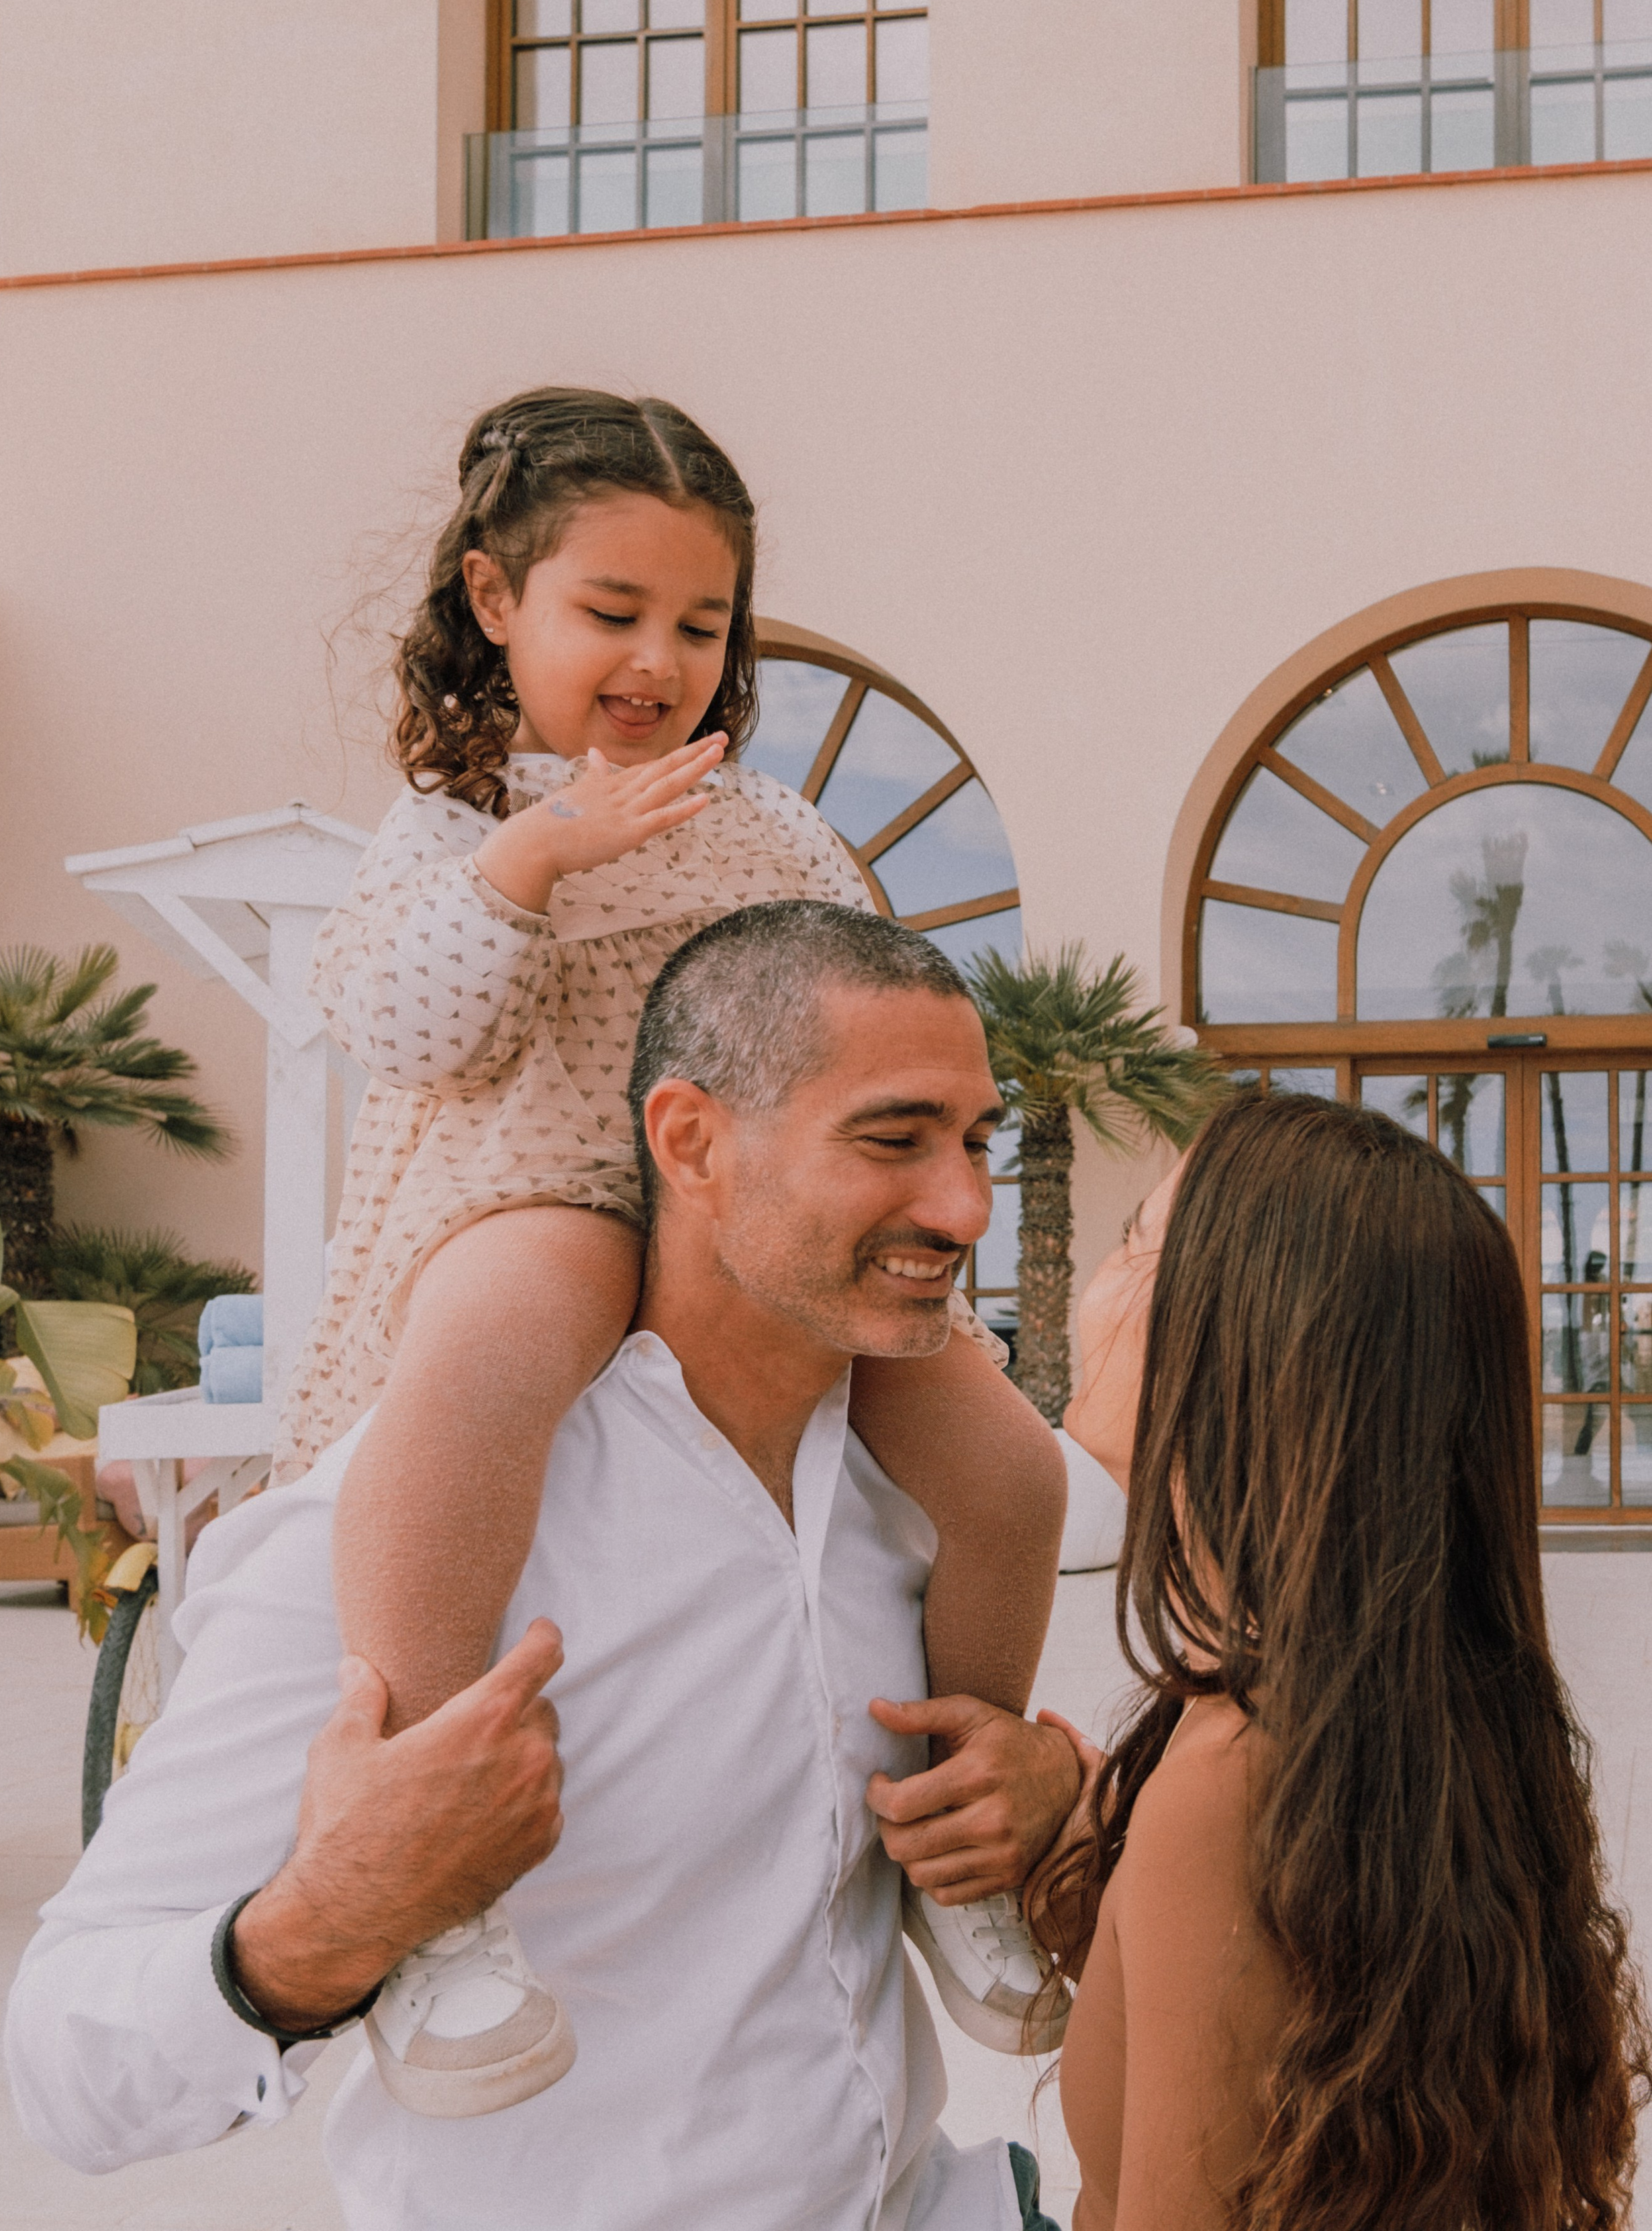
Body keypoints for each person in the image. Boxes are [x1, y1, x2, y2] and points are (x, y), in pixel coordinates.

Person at [6, 903, 1083, 2231]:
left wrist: (1039, 1799)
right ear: (688, 1141)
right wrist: (328, 1922)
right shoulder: (402, 1531)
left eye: (978, 1142)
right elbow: (65, 2065)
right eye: (893, 1139)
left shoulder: (926, 1493)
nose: (965, 1204)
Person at [273, 386, 1066, 2112]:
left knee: (1005, 1465)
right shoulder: (450, 830)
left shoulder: (765, 823)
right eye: (610, 613)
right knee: (482, 1356)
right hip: (547, 1177)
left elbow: (863, 1003)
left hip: (751, 1213)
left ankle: (957, 1828)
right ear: (496, 603)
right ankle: (423, 1863)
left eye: (698, 624)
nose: (657, 658)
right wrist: (534, 859)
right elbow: (400, 1034)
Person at [1028, 1089, 1652, 2231]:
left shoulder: (1230, 1776)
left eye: (1133, 1245)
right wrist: (1072, 1839)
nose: (1092, 1289)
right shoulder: (1404, 1722)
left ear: (1239, 1341)